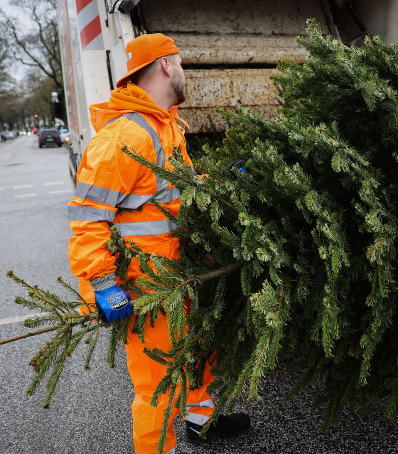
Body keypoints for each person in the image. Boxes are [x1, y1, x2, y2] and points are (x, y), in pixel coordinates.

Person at [67, 33, 250, 453]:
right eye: (180, 63)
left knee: (200, 350)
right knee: (157, 386)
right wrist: (102, 283)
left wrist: (219, 183)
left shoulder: (162, 126)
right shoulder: (124, 137)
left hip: (178, 272)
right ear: (166, 66)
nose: (184, 71)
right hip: (146, 285)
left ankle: (201, 422)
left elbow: (170, 192)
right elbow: (88, 218)